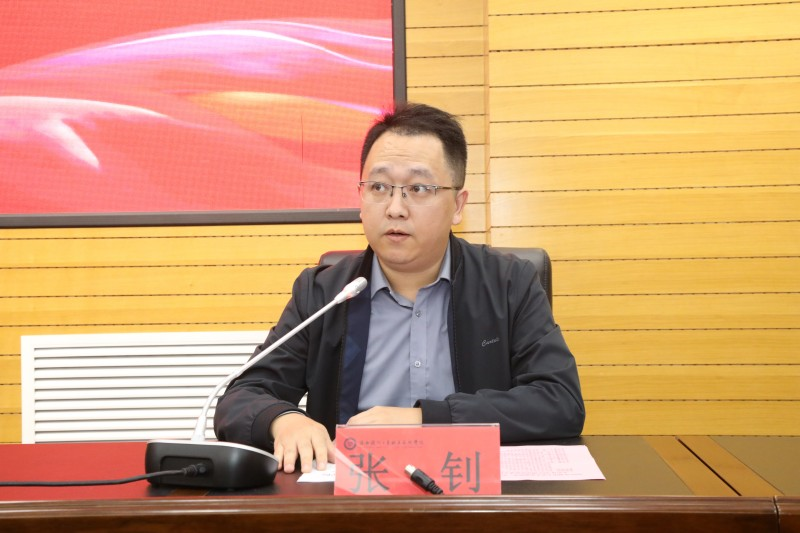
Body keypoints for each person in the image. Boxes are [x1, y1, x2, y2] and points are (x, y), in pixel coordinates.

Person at [214, 103, 585, 473]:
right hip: (357, 492)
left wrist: (426, 420)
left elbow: (559, 401)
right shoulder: (325, 293)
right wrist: (283, 420)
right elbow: (242, 397)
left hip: (469, 488)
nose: (395, 208)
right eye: (379, 187)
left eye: (418, 188)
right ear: (361, 198)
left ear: (458, 205)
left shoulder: (508, 284)